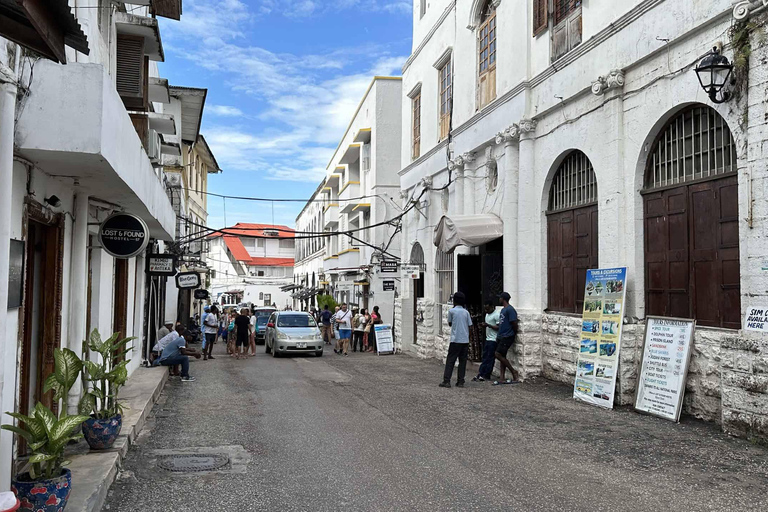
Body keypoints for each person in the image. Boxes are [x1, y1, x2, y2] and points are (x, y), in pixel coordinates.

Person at [440, 292, 472, 388]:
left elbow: (450, 323)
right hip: (464, 340)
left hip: (455, 339)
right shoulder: (466, 312)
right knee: (463, 361)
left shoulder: (452, 311)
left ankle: (446, 380)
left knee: (451, 360)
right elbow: (469, 324)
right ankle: (460, 381)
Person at [493, 292, 521, 385]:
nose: (499, 299)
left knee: (497, 354)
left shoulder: (510, 310)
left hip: (507, 335)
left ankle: (513, 371)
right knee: (502, 356)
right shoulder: (503, 310)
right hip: (501, 335)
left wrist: (513, 332)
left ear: (503, 299)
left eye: (500, 298)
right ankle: (502, 377)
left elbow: (513, 322)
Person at [473, 301, 500, 382]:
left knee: (490, 357)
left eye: (488, 309)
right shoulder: (487, 315)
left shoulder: (496, 315)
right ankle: (481, 373)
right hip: (488, 338)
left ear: (492, 307)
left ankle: (486, 374)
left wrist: (488, 325)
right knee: (485, 357)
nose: (486, 310)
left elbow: (499, 327)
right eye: (485, 309)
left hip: (494, 339)